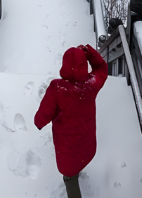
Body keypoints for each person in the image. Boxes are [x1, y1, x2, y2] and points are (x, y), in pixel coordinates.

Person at [34, 44, 108, 198]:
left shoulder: (57, 88)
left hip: (67, 148)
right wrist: (90, 54)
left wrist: (38, 122)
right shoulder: (91, 85)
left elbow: (45, 113)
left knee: (69, 176)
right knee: (79, 161)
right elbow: (101, 68)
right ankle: (78, 170)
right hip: (86, 144)